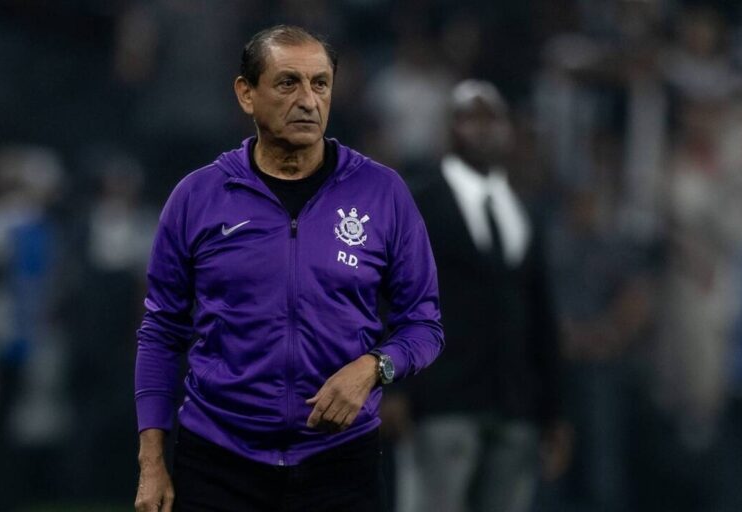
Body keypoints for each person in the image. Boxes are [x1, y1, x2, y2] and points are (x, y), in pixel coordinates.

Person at [133, 25, 444, 512]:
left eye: (320, 84)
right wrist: (152, 461)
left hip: (341, 463)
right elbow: (161, 332)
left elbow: (423, 324)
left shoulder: (382, 193)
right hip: (217, 460)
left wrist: (373, 368)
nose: (307, 100)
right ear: (246, 94)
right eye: (287, 83)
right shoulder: (197, 197)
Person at [403, 80, 570, 512]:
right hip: (443, 399)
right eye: (469, 117)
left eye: (492, 118)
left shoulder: (523, 209)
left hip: (514, 403)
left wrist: (554, 410)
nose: (482, 129)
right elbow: (394, 297)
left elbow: (540, 313)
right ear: (449, 128)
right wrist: (393, 390)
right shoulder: (421, 204)